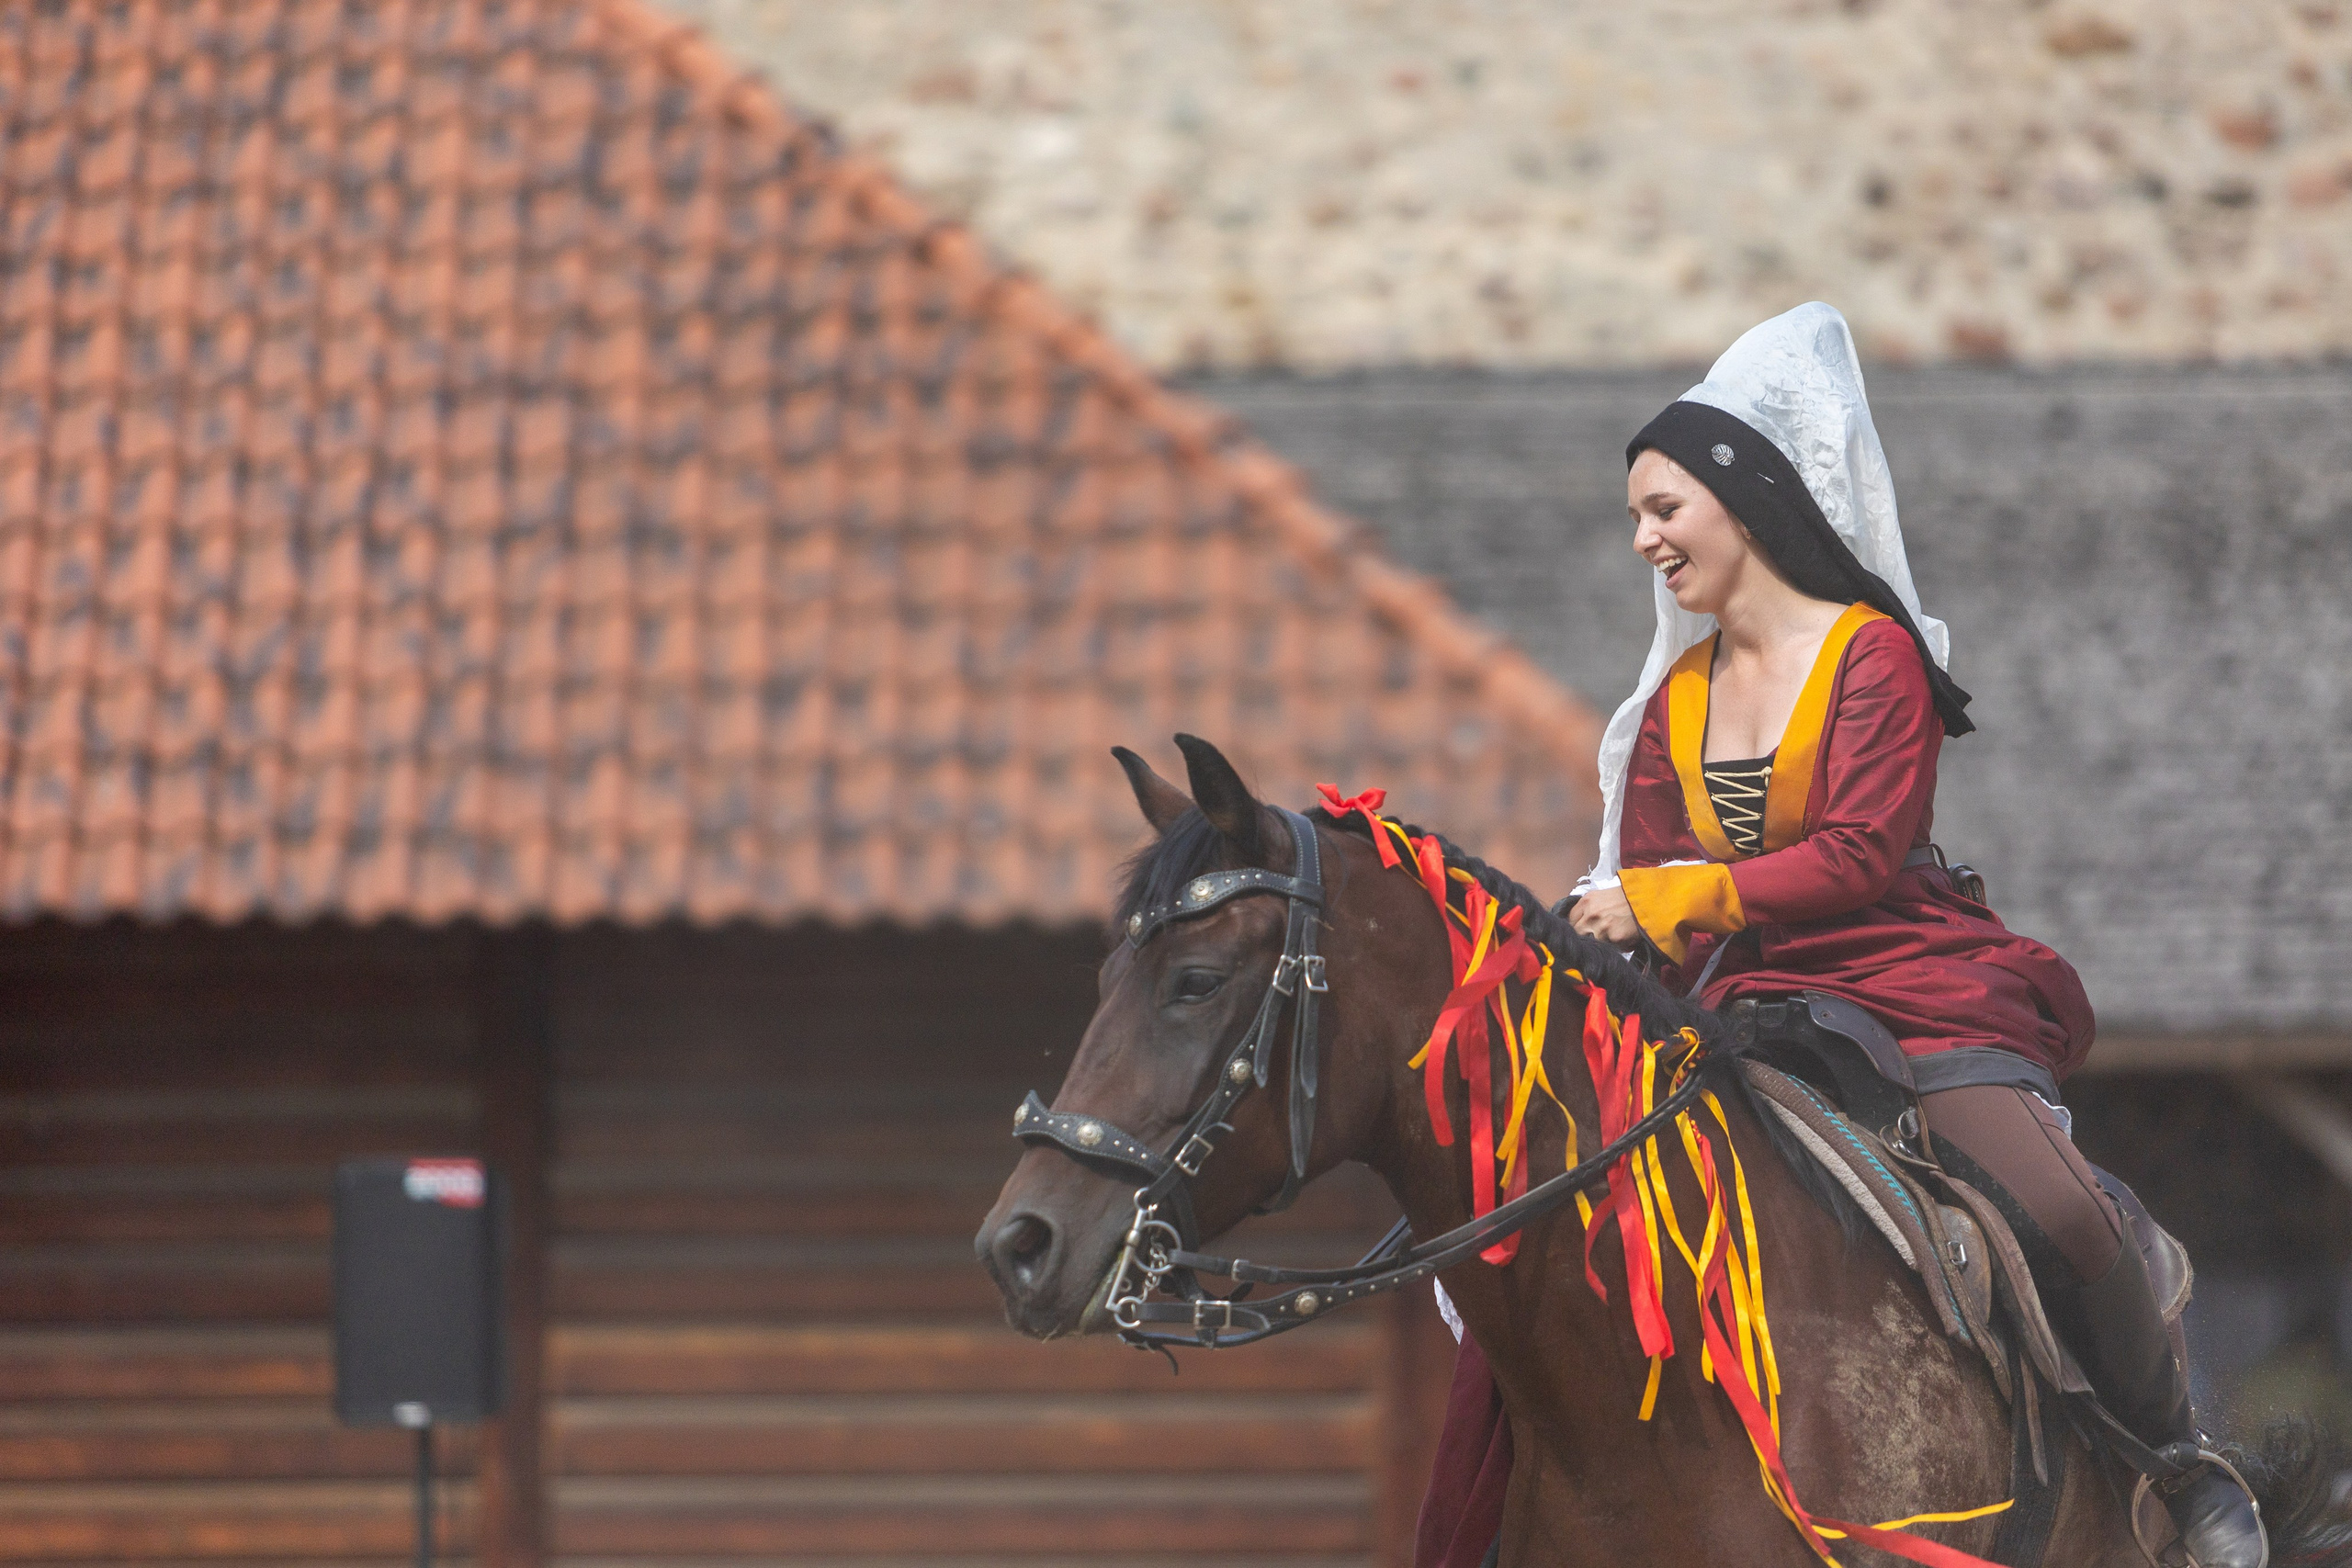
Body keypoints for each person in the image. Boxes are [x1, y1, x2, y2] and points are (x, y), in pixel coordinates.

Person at [1551, 302, 2263, 1568]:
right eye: (1636, 519)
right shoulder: (1671, 705)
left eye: (1663, 509)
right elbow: (1655, 889)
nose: (1645, 539)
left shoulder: (1872, 657)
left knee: (2065, 1212)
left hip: (1902, 984)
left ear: (1742, 500)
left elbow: (1856, 856)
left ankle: (2180, 1461)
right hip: (1743, 997)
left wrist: (1662, 900)